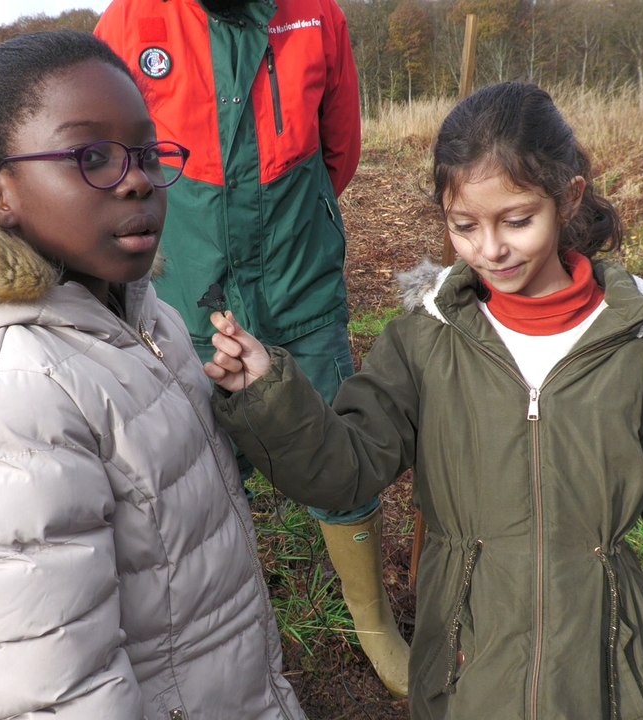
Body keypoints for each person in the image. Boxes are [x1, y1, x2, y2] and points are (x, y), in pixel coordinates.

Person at [202, 81, 643, 718]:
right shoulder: (425, 342)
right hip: (464, 676)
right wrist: (271, 396)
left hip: (606, 683)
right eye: (464, 226)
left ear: (568, 200)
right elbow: (346, 471)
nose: (491, 249)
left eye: (517, 220)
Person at [0, 31, 306, 720]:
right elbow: (54, 697)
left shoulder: (135, 313)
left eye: (146, 152)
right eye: (90, 156)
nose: (136, 178)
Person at [94, 0, 411, 697]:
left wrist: (289, 233)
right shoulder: (131, 21)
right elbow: (112, 158)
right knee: (193, 468)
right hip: (186, 290)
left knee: (332, 435)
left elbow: (340, 151)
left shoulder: (317, 16)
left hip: (301, 280)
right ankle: (217, 627)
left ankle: (375, 624)